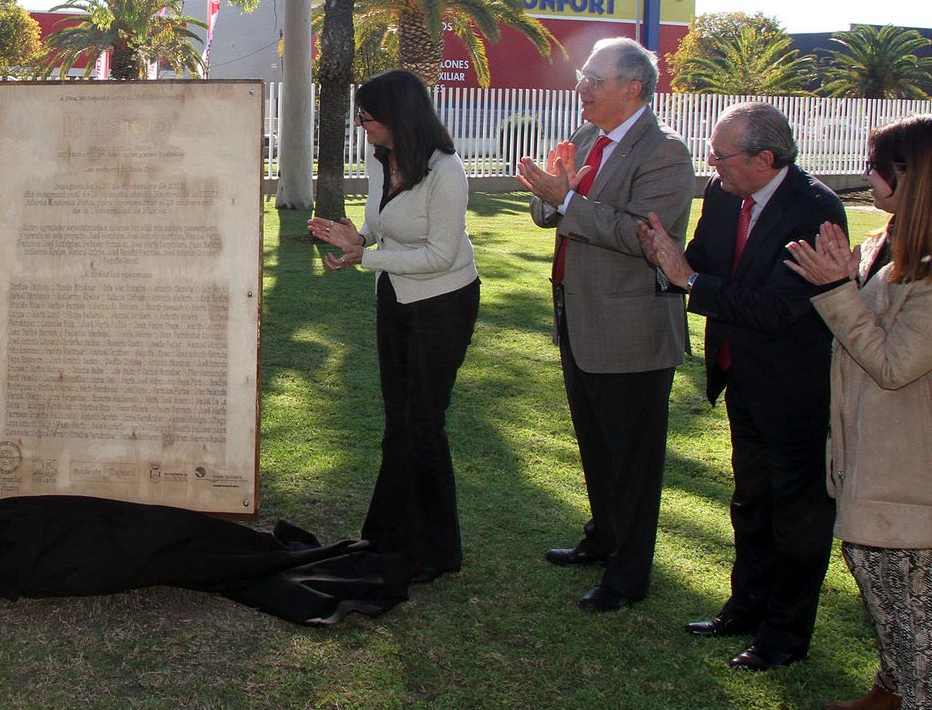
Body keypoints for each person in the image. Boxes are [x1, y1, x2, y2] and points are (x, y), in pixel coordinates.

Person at [640, 101, 848, 671]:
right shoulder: (724, 191)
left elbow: (778, 309)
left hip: (796, 388)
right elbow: (703, 262)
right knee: (751, 502)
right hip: (743, 378)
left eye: (721, 154)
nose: (712, 164)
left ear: (765, 158)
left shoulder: (815, 208)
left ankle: (784, 637)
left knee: (798, 516)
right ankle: (745, 609)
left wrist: (688, 278)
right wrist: (664, 256)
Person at [515, 37, 694, 613]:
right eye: (582, 77)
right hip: (580, 319)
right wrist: (552, 196)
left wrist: (566, 202)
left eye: (594, 79)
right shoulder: (589, 136)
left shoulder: (665, 152)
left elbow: (643, 235)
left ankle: (628, 575)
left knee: (632, 459)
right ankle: (603, 538)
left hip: (632, 331)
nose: (581, 88)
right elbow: (549, 212)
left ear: (633, 88)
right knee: (596, 444)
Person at [786, 115, 932, 710]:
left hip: (907, 483)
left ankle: (912, 706)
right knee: (893, 614)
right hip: (868, 461)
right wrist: (845, 280)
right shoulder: (889, 244)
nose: (866, 177)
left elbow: (894, 365)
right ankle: (889, 693)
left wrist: (835, 291)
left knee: (916, 631)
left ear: (909, 175)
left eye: (875, 166)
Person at [308, 70, 480, 584]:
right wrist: (356, 239)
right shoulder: (381, 159)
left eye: (368, 118)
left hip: (443, 302)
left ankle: (436, 551)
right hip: (397, 298)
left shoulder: (446, 171)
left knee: (424, 421)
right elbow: (378, 221)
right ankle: (387, 534)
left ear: (398, 117)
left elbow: (440, 255)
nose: (362, 127)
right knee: (397, 421)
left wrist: (368, 258)